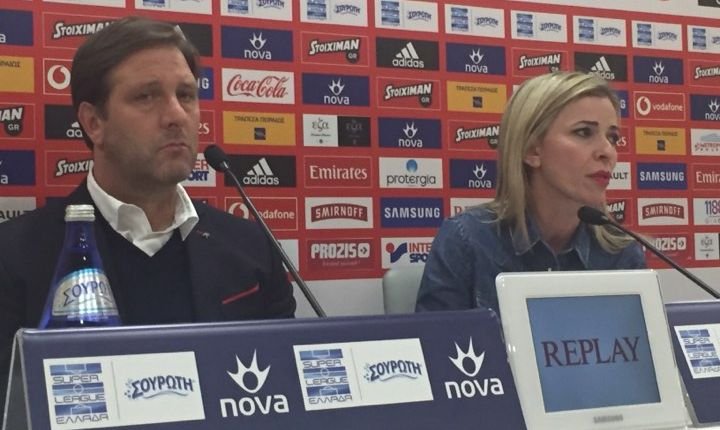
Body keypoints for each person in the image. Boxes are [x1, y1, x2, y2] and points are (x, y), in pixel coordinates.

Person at [0, 16, 295, 409]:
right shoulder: (15, 257)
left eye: (186, 95)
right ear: (93, 123)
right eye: (146, 97)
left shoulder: (251, 247)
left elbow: (284, 395)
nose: (176, 115)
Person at [416, 71, 645, 314]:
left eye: (612, 137)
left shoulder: (621, 253)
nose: (607, 152)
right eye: (584, 133)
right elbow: (436, 339)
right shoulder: (467, 241)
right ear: (531, 150)